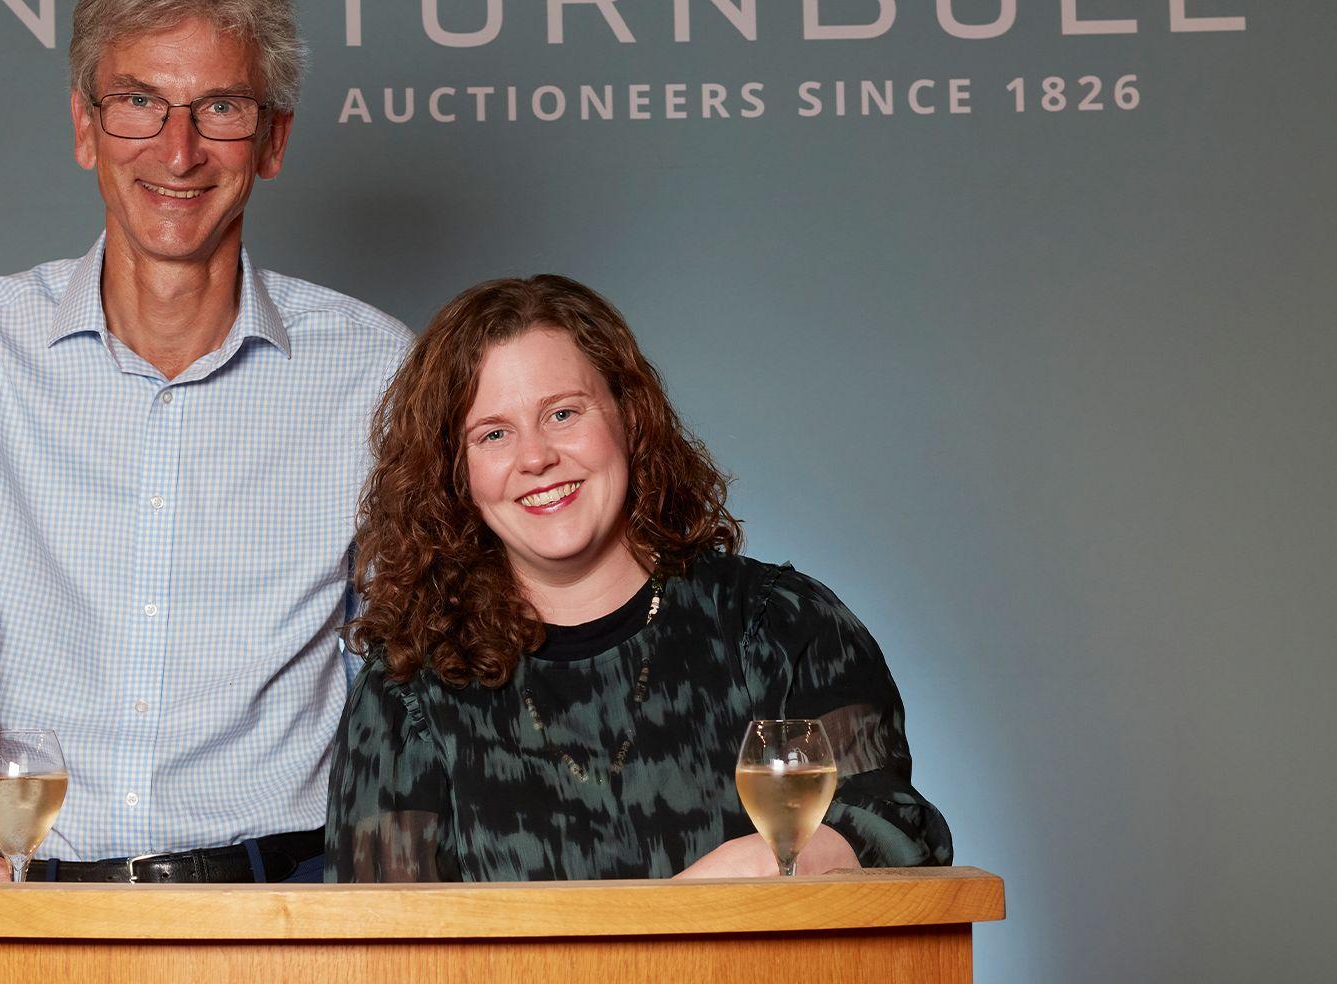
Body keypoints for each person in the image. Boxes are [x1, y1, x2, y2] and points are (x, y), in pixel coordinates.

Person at [0, 0, 410, 884]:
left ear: (273, 141)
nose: (178, 150)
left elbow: (406, 663)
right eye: (138, 102)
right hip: (26, 909)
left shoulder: (380, 372)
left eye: (221, 108)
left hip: (291, 916)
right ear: (84, 125)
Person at [327, 276, 951, 881]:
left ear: (629, 416)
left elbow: (894, 824)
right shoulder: (406, 693)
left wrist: (754, 870)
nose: (536, 458)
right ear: (455, 475)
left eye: (563, 413)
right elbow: (378, 937)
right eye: (493, 434)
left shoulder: (779, 628)